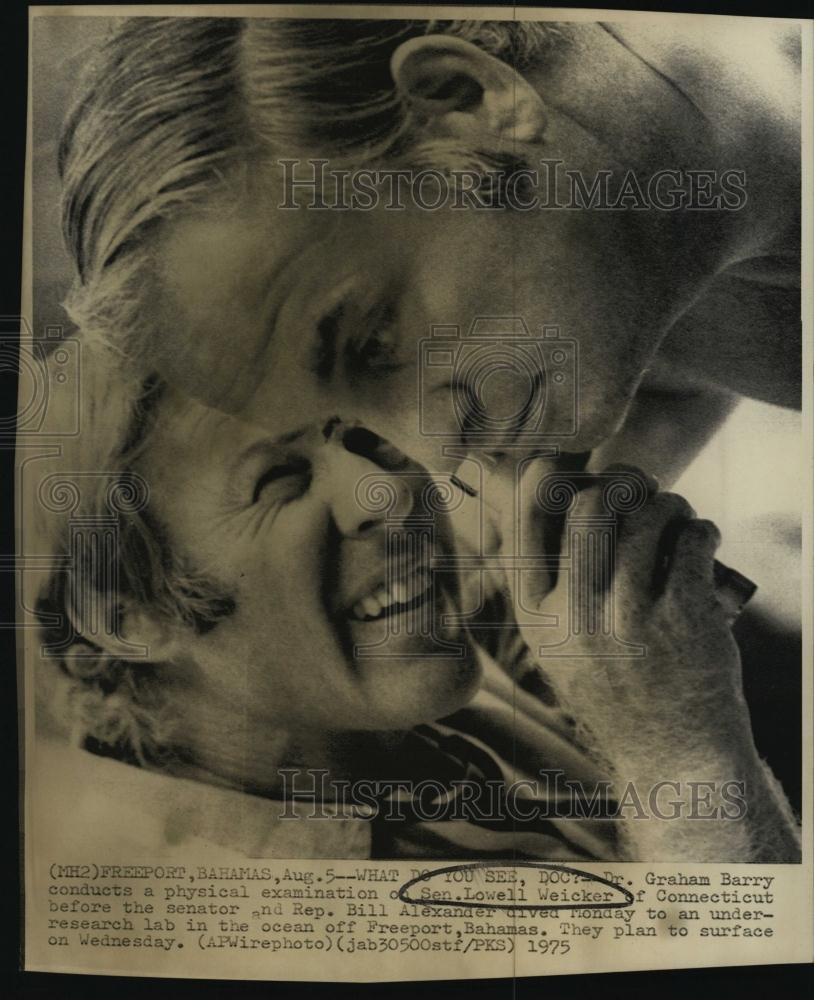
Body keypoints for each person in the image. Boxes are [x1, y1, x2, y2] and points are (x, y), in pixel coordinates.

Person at [34, 15, 802, 860]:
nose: (429, 466)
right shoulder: (628, 294)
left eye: (372, 342)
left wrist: (681, 739)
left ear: (461, 96)